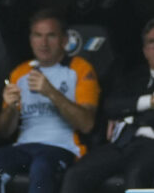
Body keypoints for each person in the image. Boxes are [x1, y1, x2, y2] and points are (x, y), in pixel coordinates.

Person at [0, 8, 100, 193]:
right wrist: (10, 107)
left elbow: (87, 124)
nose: (43, 43)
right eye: (38, 35)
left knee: (42, 167)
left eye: (51, 36)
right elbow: (4, 131)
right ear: (31, 39)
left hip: (62, 147)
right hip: (25, 145)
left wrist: (51, 92)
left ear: (64, 40)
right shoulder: (19, 72)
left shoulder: (81, 69)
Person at [60, 18, 154, 192]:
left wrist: (129, 115)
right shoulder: (134, 77)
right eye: (151, 42)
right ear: (145, 51)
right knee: (76, 173)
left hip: (151, 146)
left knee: (136, 174)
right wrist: (148, 102)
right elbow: (111, 105)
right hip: (123, 142)